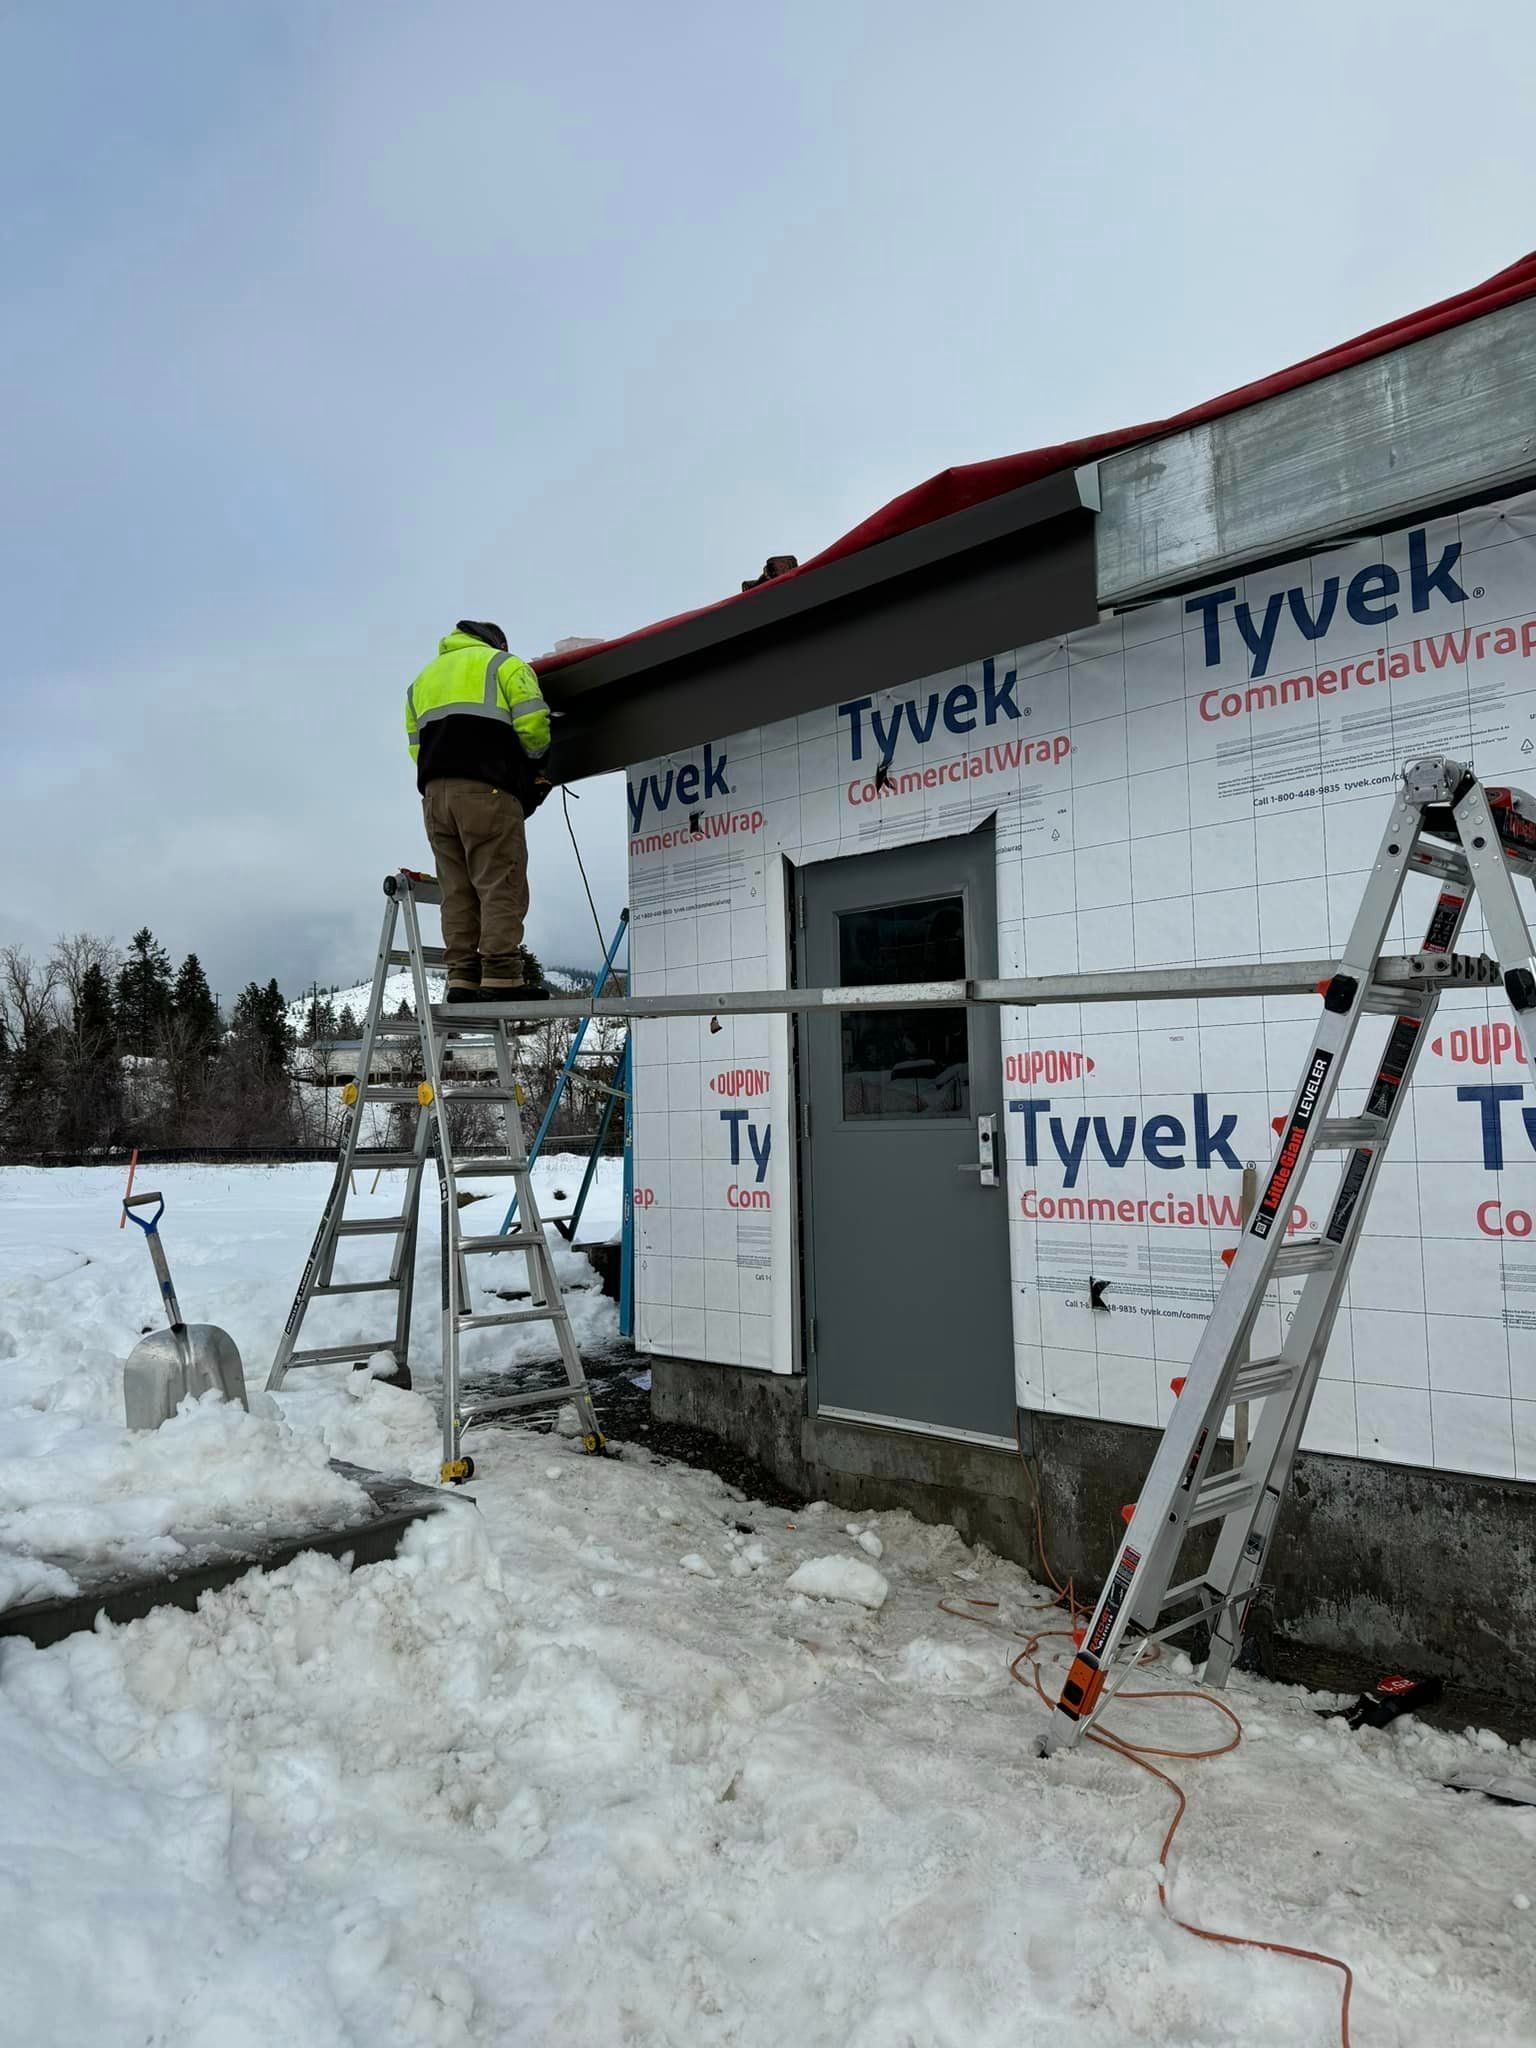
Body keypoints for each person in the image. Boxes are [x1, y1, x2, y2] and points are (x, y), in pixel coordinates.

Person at [405, 620, 553, 1002]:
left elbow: (415, 749)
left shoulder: (421, 681)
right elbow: (534, 727)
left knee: (457, 890)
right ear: (497, 642)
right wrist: (535, 767)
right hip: (487, 790)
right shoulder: (504, 665)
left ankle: (462, 980)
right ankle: (502, 977)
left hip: (435, 797)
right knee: (499, 880)